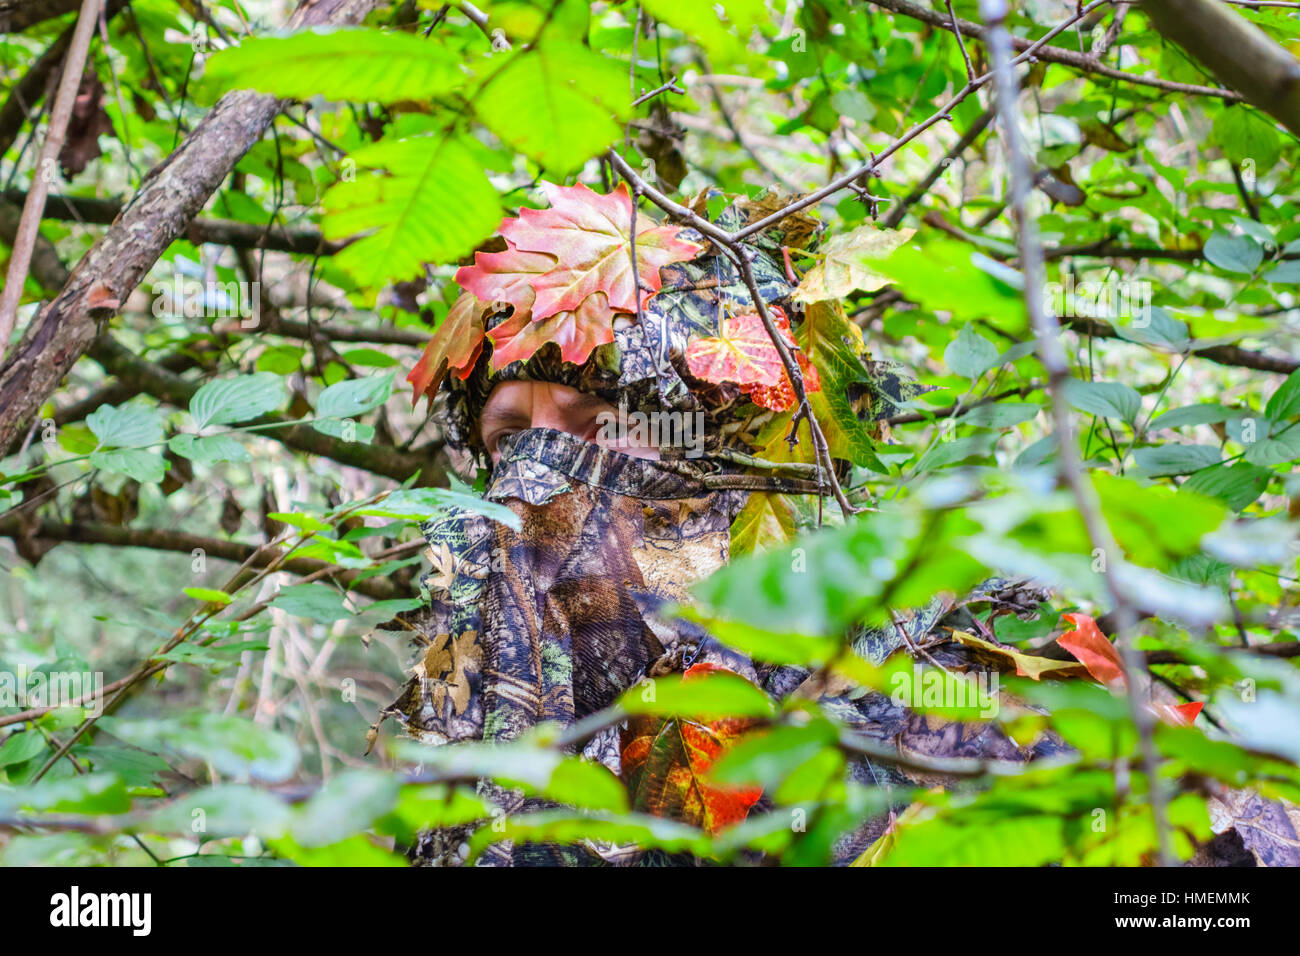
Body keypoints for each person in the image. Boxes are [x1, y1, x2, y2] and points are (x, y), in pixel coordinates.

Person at [376, 184, 1065, 866]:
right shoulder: (469, 719)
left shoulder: (940, 682)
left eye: (604, 426)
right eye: (509, 439)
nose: (530, 482)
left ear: (731, 454)